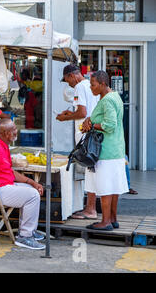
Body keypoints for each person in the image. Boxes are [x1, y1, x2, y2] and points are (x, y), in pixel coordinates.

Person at [0, 119, 45, 250]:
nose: (16, 131)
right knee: (32, 195)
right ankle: (24, 236)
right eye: (13, 129)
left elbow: (9, 172)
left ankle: (29, 231)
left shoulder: (1, 144)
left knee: (31, 190)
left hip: (0, 187)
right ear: (6, 133)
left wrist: (32, 182)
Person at [81, 70, 128, 231]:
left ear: (102, 84)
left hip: (106, 150)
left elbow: (109, 124)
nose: (91, 88)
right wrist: (90, 120)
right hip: (116, 149)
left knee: (106, 187)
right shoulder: (114, 96)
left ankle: (105, 221)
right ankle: (112, 219)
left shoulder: (107, 100)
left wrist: (91, 125)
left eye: (93, 85)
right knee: (113, 187)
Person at [56, 64, 99, 220]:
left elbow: (82, 112)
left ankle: (90, 209)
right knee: (90, 170)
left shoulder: (80, 87)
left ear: (71, 76)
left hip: (85, 135)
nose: (68, 84)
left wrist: (65, 117)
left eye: (67, 80)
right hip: (91, 133)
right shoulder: (89, 85)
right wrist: (71, 113)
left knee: (90, 170)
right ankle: (88, 208)